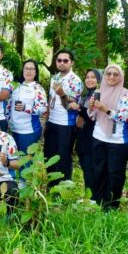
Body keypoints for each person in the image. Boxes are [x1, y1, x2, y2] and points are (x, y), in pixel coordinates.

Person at [88, 64, 128, 210]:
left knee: (115, 173)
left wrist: (106, 109)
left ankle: (111, 205)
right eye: (108, 74)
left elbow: (125, 116)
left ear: (121, 77)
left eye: (115, 74)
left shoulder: (126, 94)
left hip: (117, 140)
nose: (111, 77)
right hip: (98, 136)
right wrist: (91, 107)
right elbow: (92, 115)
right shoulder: (99, 91)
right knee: (98, 169)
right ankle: (98, 200)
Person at [44, 49, 82, 187]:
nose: (62, 63)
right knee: (49, 156)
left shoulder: (75, 80)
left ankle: (64, 190)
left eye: (65, 61)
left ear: (71, 63)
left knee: (63, 158)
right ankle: (51, 188)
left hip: (66, 124)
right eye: (59, 60)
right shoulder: (54, 78)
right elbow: (50, 100)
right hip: (52, 122)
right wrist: (46, 121)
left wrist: (62, 94)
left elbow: (72, 105)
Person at [8, 59, 47, 182]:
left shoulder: (38, 88)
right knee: (13, 160)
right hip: (14, 129)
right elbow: (9, 106)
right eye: (26, 68)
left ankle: (24, 188)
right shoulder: (16, 87)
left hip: (29, 131)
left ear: (36, 72)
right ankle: (12, 187)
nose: (28, 71)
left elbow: (42, 108)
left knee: (26, 163)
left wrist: (26, 108)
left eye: (31, 69)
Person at [75, 69, 101, 195]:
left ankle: (93, 197)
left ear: (99, 80)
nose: (89, 80)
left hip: (93, 139)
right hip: (83, 138)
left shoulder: (100, 95)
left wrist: (79, 108)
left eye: (93, 77)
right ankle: (89, 195)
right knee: (86, 168)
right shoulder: (85, 96)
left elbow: (93, 116)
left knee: (91, 169)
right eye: (87, 77)